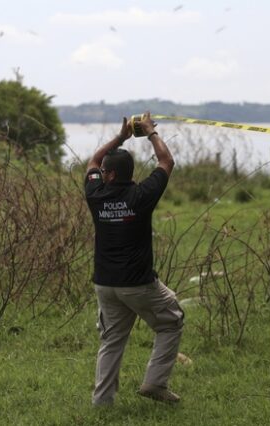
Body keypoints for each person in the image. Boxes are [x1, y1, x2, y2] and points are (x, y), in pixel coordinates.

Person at [84, 111, 184, 406]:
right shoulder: (141, 195)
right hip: (138, 284)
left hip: (105, 284)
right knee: (171, 321)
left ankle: (102, 402)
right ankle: (155, 383)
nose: (101, 172)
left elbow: (92, 161)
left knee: (112, 340)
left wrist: (121, 137)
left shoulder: (96, 194)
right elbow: (166, 162)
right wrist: (151, 133)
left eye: (105, 171)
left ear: (110, 175)